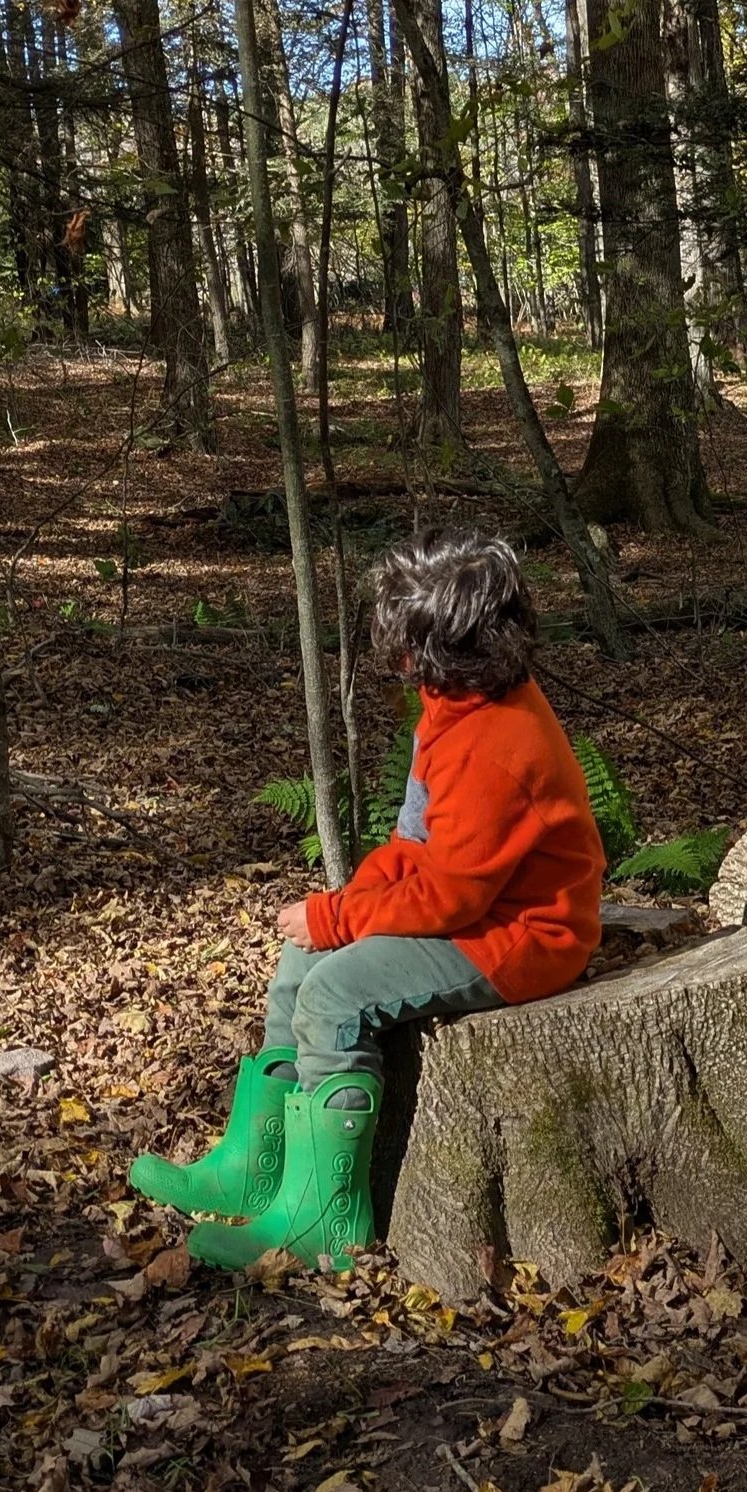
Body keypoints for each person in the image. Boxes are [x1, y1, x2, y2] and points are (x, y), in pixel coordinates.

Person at [129, 531, 603, 1273]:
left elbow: (451, 896)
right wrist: (343, 907)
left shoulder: (498, 746)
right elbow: (415, 841)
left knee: (334, 997)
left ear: (452, 645)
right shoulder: (453, 704)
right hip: (477, 909)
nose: (399, 661)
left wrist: (338, 918)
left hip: (521, 936)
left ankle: (325, 1217)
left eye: (410, 646)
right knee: (302, 957)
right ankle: (256, 1166)